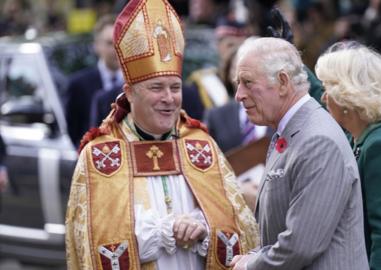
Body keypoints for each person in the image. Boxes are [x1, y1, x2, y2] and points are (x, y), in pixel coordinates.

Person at [65, 0, 259, 269]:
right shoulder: (100, 156)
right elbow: (93, 242)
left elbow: (238, 226)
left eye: (175, 87)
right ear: (130, 92)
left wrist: (203, 228)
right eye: (157, 87)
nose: (168, 98)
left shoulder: (201, 147)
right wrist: (164, 231)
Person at [230, 37, 368, 270]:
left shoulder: (317, 141)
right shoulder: (291, 132)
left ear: (283, 82)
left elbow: (300, 245)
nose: (239, 94)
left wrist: (248, 265)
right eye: (238, 83)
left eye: (248, 82)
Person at [315, 41, 381, 270]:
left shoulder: (380, 146)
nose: (323, 98)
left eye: (327, 89)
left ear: (346, 97)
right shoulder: (377, 126)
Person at [65, 14, 123, 147]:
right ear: (97, 45)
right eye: (109, 43)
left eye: (119, 42)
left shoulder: (135, 83)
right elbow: (73, 128)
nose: (115, 49)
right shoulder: (78, 84)